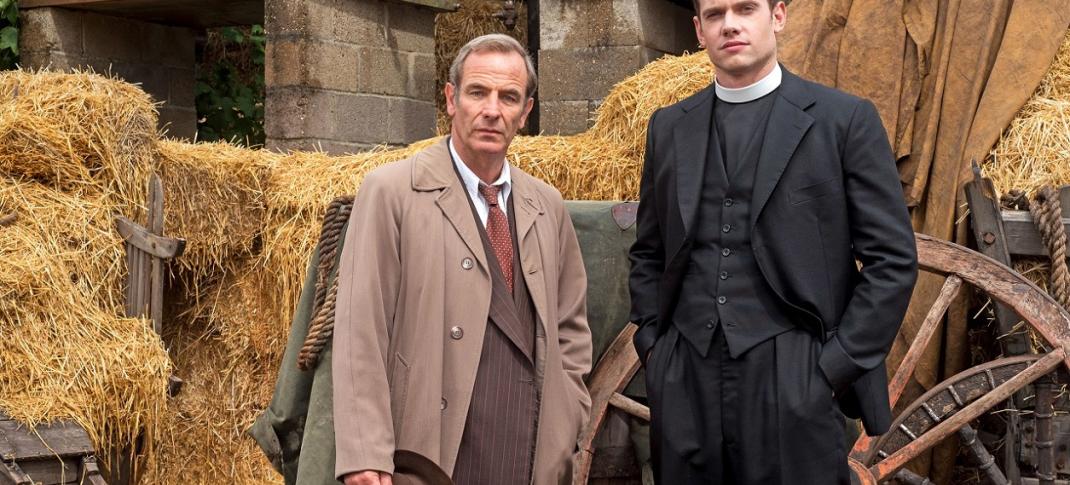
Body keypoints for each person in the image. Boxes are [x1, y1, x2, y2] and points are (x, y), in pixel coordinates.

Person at [628, 0, 919, 483]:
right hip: (686, 377)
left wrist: (832, 368)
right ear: (699, 30)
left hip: (795, 374)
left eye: (746, 8)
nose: (731, 24)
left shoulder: (843, 120)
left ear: (778, 16)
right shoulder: (668, 126)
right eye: (716, 14)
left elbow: (892, 261)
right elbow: (649, 250)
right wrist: (656, 350)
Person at [332, 34, 592, 485]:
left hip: (529, 452)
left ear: (526, 112)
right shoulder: (391, 192)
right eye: (478, 92)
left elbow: (571, 328)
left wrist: (567, 419)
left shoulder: (547, 205)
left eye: (509, 97)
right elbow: (360, 330)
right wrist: (363, 451)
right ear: (452, 99)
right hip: (428, 455)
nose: (492, 110)